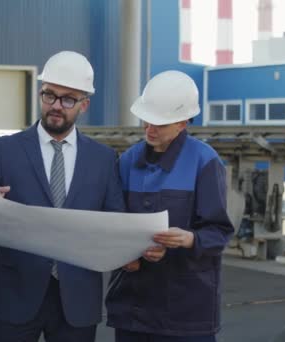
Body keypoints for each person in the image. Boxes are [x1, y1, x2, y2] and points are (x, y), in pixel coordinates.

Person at [0, 51, 125, 342]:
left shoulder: (103, 159)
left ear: (84, 104)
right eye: (49, 95)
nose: (56, 106)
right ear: (40, 94)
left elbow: (116, 220)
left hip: (77, 297)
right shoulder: (6, 149)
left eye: (68, 99)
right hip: (15, 292)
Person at [105, 70, 235, 342]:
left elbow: (219, 232)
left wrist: (189, 239)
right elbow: (113, 222)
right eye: (147, 120)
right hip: (133, 308)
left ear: (183, 123)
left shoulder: (205, 162)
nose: (149, 129)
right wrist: (126, 255)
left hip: (186, 314)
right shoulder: (127, 161)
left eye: (159, 124)